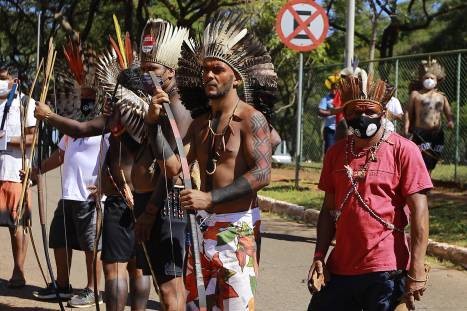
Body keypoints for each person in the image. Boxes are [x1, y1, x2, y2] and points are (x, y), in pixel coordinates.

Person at [147, 11, 278, 310]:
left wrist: (210, 197)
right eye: (205, 69)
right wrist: (152, 124)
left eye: (217, 69)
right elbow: (173, 168)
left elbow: (262, 174)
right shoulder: (199, 123)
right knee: (197, 306)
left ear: (236, 76)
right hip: (202, 227)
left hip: (238, 228)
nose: (209, 75)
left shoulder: (251, 119)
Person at [307, 73, 432, 311]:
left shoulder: (404, 151)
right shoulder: (335, 153)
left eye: (370, 111)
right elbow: (327, 210)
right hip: (340, 269)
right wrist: (319, 256)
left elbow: (420, 212)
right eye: (354, 112)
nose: (362, 118)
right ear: (344, 115)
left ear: (383, 112)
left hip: (387, 271)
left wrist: (416, 266)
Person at [31, 40, 106, 307]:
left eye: (90, 97)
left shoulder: (103, 125)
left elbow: (116, 159)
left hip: (90, 194)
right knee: (58, 237)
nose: (85, 101)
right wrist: (37, 169)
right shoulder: (74, 126)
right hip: (69, 194)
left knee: (90, 245)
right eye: (82, 96)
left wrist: (106, 186)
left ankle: (92, 289)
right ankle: (62, 285)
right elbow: (61, 154)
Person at [0, 66, 36, 288]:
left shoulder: (26, 103)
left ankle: (18, 271)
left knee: (18, 225)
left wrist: (6, 139)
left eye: (3, 79)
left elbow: (33, 137)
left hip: (15, 173)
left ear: (15, 80)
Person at [404, 59, 454, 173]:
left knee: (432, 159)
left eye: (432, 78)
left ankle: (428, 182)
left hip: (437, 133)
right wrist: (406, 127)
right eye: (426, 78)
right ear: (422, 80)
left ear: (437, 80)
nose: (429, 80)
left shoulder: (441, 97)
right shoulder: (416, 95)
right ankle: (421, 184)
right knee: (422, 158)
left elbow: (448, 112)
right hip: (420, 133)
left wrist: (450, 121)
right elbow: (408, 112)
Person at [318, 73, 341, 152]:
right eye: (333, 88)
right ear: (330, 88)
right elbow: (320, 111)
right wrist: (332, 112)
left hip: (341, 128)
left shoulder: (342, 98)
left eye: (336, 88)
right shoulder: (326, 99)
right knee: (330, 149)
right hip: (330, 129)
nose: (334, 91)